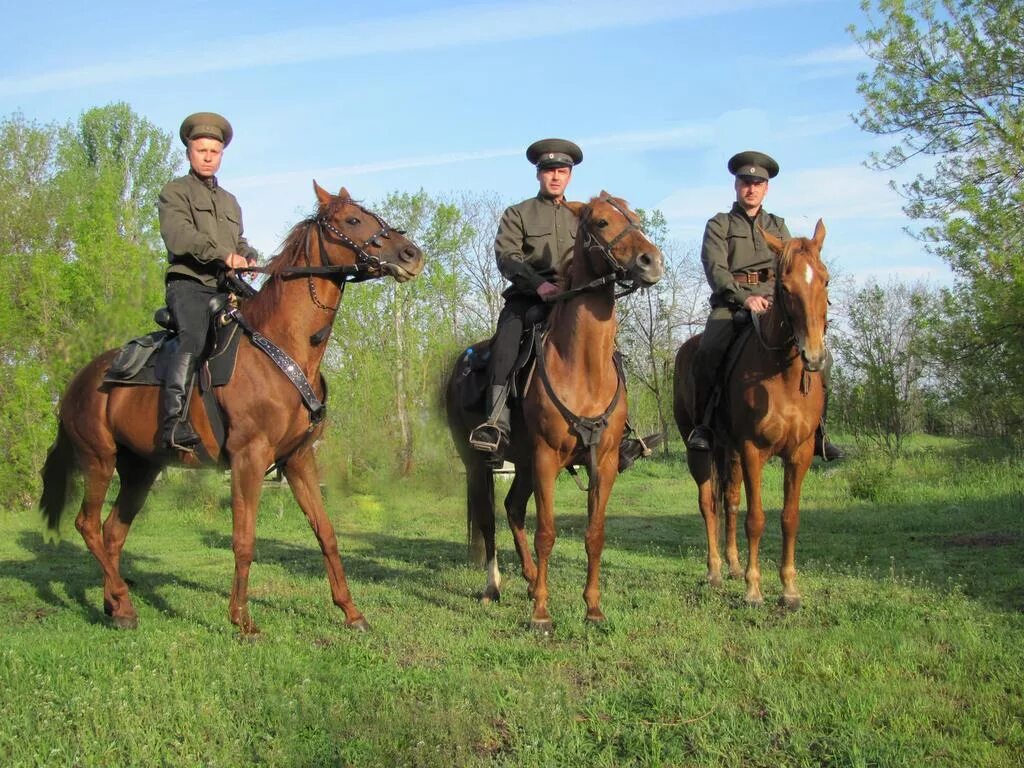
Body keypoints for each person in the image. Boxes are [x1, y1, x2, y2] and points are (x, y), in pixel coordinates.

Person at [686, 150, 844, 461]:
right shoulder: (719, 225)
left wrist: (781, 298)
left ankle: (819, 430)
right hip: (732, 305)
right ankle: (704, 426)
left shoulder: (778, 225)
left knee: (823, 358)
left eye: (758, 183)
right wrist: (745, 298)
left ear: (766, 188)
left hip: (776, 302)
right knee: (708, 350)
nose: (751, 188)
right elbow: (715, 268)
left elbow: (794, 269)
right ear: (736, 185)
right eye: (746, 182)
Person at [468, 138, 581, 466]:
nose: (555, 177)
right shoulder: (519, 214)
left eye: (562, 171)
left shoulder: (582, 216)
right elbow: (507, 256)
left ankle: (621, 428)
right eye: (549, 171)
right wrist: (538, 284)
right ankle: (495, 425)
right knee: (504, 345)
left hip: (574, 302)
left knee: (606, 346)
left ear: (570, 176)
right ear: (538, 174)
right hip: (528, 299)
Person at [156, 112, 259, 451]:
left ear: (222, 155)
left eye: (214, 151)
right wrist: (224, 256)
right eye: (201, 150)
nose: (208, 156)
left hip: (225, 289)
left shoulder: (230, 201)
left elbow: (239, 242)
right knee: (195, 338)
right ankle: (172, 423)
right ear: (189, 152)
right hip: (189, 285)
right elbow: (179, 237)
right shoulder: (175, 192)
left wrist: (250, 257)